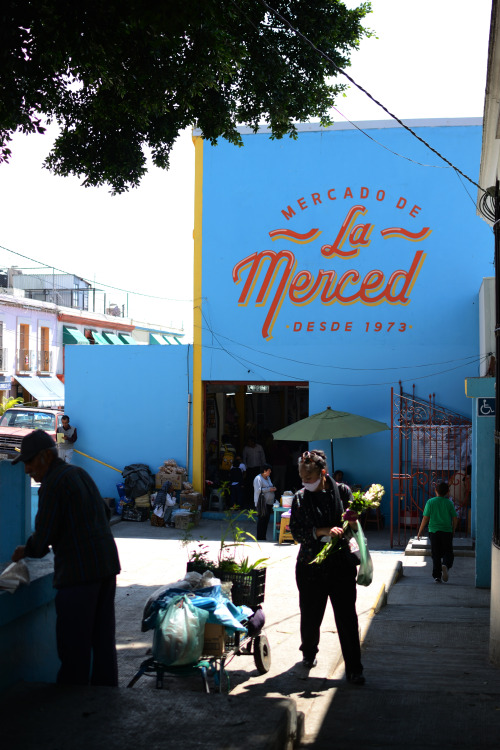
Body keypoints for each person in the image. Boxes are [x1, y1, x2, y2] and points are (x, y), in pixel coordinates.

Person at [11, 430, 121, 686]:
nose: (27, 470)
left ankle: (72, 708)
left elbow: (41, 542)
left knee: (74, 645)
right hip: (105, 566)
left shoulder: (53, 484)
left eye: (29, 462)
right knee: (102, 640)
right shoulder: (78, 474)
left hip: (79, 573)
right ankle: (106, 702)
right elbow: (104, 513)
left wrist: (24, 550)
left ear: (45, 457)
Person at [289, 449, 365, 684]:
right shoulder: (300, 497)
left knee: (346, 617)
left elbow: (354, 526)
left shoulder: (342, 492)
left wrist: (352, 521)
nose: (305, 483)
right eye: (302, 478)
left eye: (309, 478)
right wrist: (321, 531)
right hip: (310, 565)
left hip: (340, 564)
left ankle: (354, 668)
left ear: (323, 473)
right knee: (310, 615)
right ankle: (309, 653)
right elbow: (296, 531)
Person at [417, 481, 457, 583]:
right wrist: (453, 530)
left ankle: (437, 576)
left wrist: (420, 531)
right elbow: (454, 518)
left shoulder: (430, 502)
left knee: (436, 553)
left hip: (433, 531)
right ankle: (446, 565)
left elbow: (425, 518)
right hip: (447, 531)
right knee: (448, 552)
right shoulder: (449, 503)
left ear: (435, 491)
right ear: (447, 492)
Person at [253, 463, 276, 540]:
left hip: (269, 502)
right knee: (261, 520)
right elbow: (258, 490)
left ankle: (263, 537)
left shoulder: (268, 478)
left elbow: (269, 486)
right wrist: (269, 489)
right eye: (269, 470)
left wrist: (272, 488)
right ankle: (260, 537)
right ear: (264, 471)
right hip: (262, 503)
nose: (270, 472)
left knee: (266, 520)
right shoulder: (258, 479)